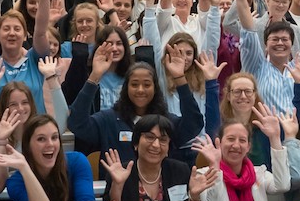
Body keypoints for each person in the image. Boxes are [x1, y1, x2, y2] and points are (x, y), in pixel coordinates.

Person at [101, 115, 219, 201]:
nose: (156, 145)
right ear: (136, 143)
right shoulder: (121, 173)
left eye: (163, 140)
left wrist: (194, 197)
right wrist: (118, 186)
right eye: (150, 137)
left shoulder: (180, 171)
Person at [0, 115, 118, 201]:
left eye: (54, 137)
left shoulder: (77, 161)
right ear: (28, 146)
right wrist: (25, 169)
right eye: (41, 139)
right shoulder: (16, 182)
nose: (50, 144)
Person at [68, 57, 204, 165]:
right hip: (118, 193)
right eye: (134, 84)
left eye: (146, 84)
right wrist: (94, 77)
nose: (140, 90)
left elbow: (194, 124)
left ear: (155, 88)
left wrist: (180, 79)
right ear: (125, 88)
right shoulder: (108, 119)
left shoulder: (166, 121)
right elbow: (76, 123)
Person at [193, 112, 290, 201]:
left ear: (248, 146)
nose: (236, 145)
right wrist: (215, 167)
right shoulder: (204, 175)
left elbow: (283, 185)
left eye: (242, 140)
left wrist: (274, 138)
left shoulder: (258, 173)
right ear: (219, 143)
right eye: (231, 139)